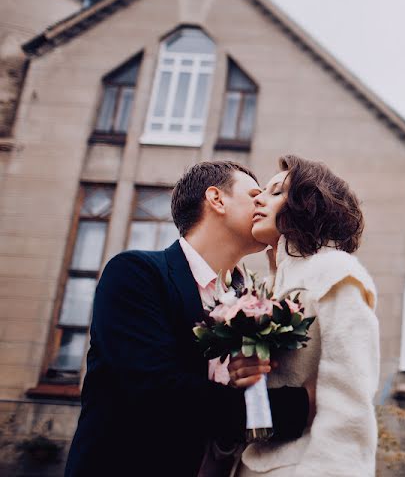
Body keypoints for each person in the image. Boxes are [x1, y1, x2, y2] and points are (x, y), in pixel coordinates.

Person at [64, 161, 310, 477]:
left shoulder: (256, 300)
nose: (264, 202)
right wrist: (300, 409)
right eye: (254, 194)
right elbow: (159, 395)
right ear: (216, 199)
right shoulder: (136, 274)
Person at [236, 155, 379, 477]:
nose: (258, 198)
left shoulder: (335, 271)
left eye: (275, 192)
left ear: (306, 203)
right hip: (258, 464)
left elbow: (350, 393)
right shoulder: (271, 284)